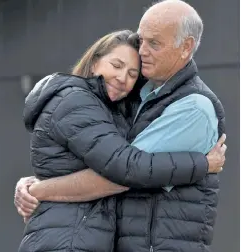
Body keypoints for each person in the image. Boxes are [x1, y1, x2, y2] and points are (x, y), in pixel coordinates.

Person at [15, 1, 226, 252]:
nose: (143, 50)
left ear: (186, 47)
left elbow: (120, 175)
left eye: (154, 44)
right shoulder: (115, 100)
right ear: (94, 62)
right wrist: (31, 184)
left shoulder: (192, 108)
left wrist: (39, 189)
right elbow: (117, 164)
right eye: (142, 40)